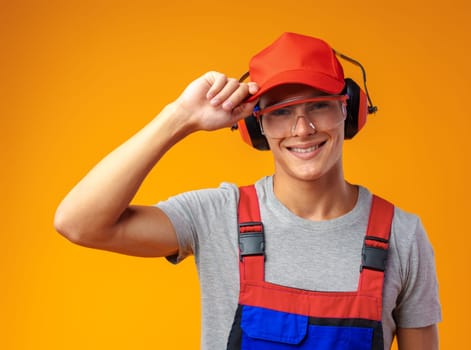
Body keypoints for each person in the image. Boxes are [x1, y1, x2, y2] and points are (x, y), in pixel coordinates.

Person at [54, 32, 441, 349]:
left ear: (350, 110)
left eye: (319, 106)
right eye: (280, 112)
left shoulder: (401, 236)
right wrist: (179, 118)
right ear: (256, 128)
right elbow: (79, 223)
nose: (302, 129)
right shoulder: (218, 216)